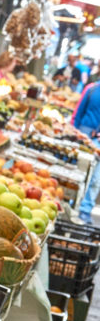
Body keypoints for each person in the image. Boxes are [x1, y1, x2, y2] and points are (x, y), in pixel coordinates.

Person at [73, 82, 100, 221]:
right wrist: (73, 131)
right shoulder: (92, 88)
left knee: (95, 179)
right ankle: (72, 205)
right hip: (84, 136)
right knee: (78, 172)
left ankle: (85, 210)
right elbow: (78, 112)